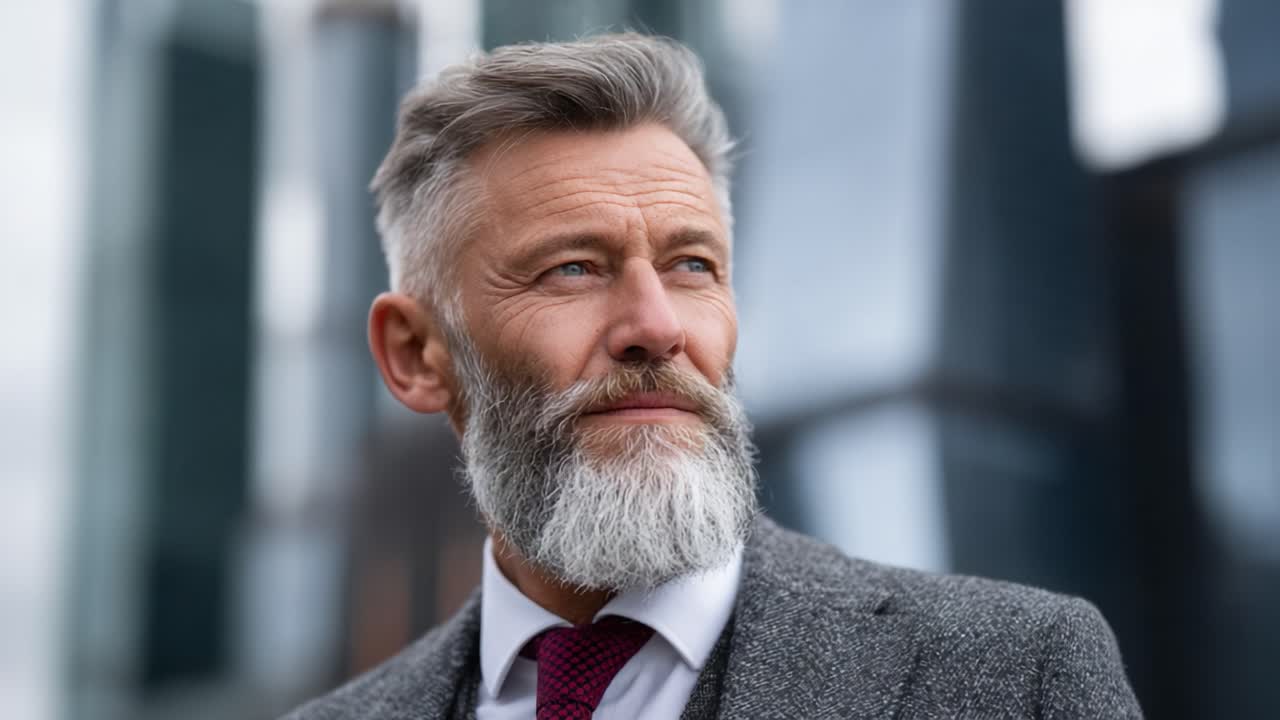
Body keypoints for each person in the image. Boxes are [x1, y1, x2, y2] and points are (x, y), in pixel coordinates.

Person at [283, 33, 1141, 719]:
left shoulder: (1017, 677)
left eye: (692, 266)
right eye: (572, 269)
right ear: (416, 355)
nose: (656, 327)